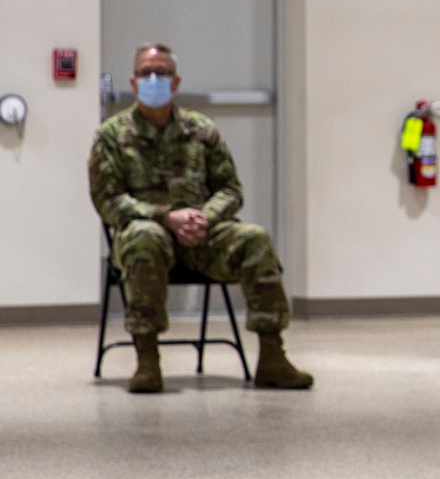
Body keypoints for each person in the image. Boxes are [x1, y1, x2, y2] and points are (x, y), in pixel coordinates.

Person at [89, 44, 312, 394]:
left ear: (175, 82)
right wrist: (167, 217)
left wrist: (204, 218)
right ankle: (147, 361)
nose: (153, 79)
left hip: (202, 237)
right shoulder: (111, 135)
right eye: (146, 73)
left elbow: (231, 190)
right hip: (147, 237)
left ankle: (272, 357)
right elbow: (108, 200)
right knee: (144, 237)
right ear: (133, 82)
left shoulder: (201, 129)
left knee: (255, 238)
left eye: (161, 72)